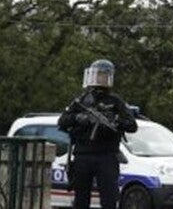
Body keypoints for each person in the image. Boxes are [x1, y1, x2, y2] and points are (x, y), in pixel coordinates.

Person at [57, 59, 139, 209]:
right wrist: (77, 118)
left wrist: (114, 121)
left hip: (106, 155)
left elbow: (132, 125)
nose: (99, 78)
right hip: (83, 154)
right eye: (97, 74)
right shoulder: (81, 100)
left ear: (109, 77)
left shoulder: (115, 101)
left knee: (109, 199)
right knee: (81, 198)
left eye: (103, 75)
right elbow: (62, 121)